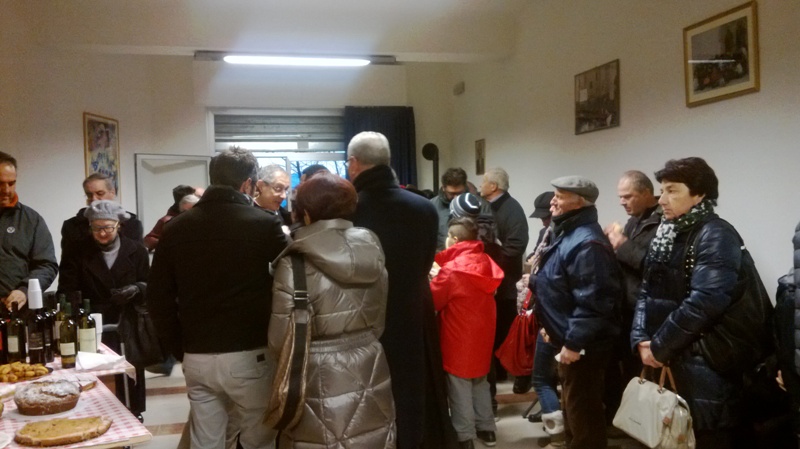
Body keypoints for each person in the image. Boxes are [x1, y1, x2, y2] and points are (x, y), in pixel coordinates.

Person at [147, 147, 288, 449]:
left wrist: (179, 348)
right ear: (248, 184)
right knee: (259, 439)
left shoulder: (175, 228)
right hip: (250, 351)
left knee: (205, 441)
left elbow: (158, 298)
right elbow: (290, 280)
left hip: (197, 353)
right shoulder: (264, 224)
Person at [630, 157, 751, 448]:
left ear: (699, 194)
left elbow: (706, 301)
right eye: (662, 190)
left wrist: (659, 346)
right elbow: (646, 290)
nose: (662, 199)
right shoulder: (667, 231)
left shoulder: (716, 233)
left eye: (672, 190)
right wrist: (641, 338)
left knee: (705, 436)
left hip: (704, 360)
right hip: (671, 354)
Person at [268, 173, 396, 448]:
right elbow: (379, 319)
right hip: (370, 358)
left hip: (316, 370)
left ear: (306, 214)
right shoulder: (372, 249)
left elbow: (279, 341)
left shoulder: (294, 262)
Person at [348, 131, 456, 449]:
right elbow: (426, 262)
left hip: (366, 314)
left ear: (353, 163)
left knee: (369, 391)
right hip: (413, 308)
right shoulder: (423, 207)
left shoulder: (350, 209)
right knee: (413, 387)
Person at [532, 176, 621, 449]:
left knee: (584, 415)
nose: (552, 201)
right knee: (574, 410)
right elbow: (559, 287)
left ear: (580, 202)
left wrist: (573, 342)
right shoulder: (568, 232)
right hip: (569, 339)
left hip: (584, 347)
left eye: (560, 196)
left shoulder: (587, 242)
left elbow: (594, 301)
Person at [57, 199, 149, 418]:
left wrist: (137, 288)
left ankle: (133, 414)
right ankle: (96, 415)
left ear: (119, 226)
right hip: (91, 323)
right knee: (97, 378)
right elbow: (66, 290)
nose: (102, 233)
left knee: (129, 377)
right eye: (96, 228)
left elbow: (150, 283)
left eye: (108, 228)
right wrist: (78, 312)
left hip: (127, 323)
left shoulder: (136, 250)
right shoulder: (76, 251)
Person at [430, 217, 504, 449]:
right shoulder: (487, 262)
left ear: (454, 239)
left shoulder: (451, 270)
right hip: (483, 334)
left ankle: (465, 436)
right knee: (480, 380)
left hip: (458, 335)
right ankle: (487, 429)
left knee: (459, 385)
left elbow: (434, 300)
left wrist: (434, 277)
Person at [602, 170, 661, 421]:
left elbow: (654, 266)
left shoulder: (662, 222)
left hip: (646, 311)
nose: (622, 202)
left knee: (642, 374)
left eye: (628, 196)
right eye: (620, 197)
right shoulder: (634, 220)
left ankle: (640, 424)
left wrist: (622, 244)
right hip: (625, 308)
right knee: (620, 367)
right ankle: (622, 418)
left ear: (647, 193)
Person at [479, 167, 529, 409]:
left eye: (484, 181)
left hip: (505, 283)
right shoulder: (487, 205)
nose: (481, 185)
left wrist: (493, 266)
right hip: (491, 281)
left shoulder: (512, 209)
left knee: (504, 333)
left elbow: (516, 245)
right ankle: (497, 373)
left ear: (493, 187)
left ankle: (514, 374)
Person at [0, 151, 58, 310]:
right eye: (0, 183)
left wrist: (24, 290)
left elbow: (47, 266)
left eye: (11, 183)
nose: (6, 190)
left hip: (17, 310)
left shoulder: (31, 220)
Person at [61, 173, 143, 258]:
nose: (94, 199)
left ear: (112, 193)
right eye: (89, 195)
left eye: (100, 193)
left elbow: (138, 259)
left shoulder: (132, 225)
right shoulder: (71, 226)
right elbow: (67, 262)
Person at [431, 168, 489, 252]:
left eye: (459, 193)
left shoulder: (480, 205)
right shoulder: (432, 206)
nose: (455, 197)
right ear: (443, 188)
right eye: (451, 193)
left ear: (465, 187)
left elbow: (488, 237)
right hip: (440, 257)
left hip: (471, 257)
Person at [144, 185, 203, 251]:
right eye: (198, 196)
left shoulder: (202, 219)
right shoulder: (167, 221)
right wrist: (168, 242)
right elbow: (148, 240)